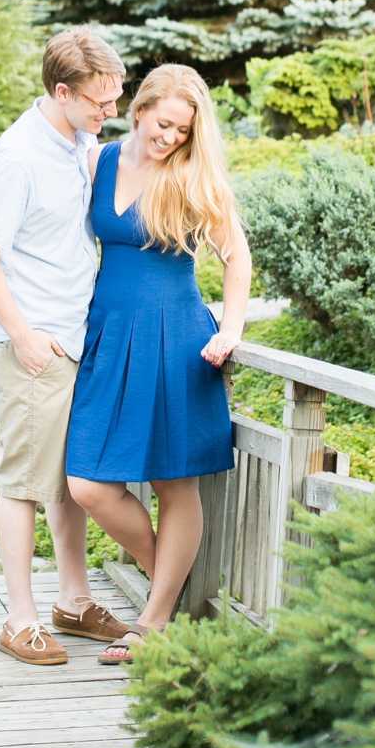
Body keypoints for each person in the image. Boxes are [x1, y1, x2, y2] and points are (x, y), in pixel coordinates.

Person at [65, 62, 248, 664]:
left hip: (176, 338)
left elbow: (235, 256)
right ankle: (172, 580)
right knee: (88, 482)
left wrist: (232, 327)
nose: (169, 137)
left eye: (182, 131)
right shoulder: (99, 160)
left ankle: (155, 619)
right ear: (139, 109)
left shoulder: (193, 177)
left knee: (175, 481)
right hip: (108, 336)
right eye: (163, 123)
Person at [0, 28, 134, 667]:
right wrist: (24, 334)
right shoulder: (17, 157)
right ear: (62, 92)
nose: (108, 112)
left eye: (115, 99)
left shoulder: (79, 137)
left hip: (77, 335)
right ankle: (22, 619)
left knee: (68, 479)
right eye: (99, 102)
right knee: (25, 482)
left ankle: (73, 600)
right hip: (33, 342)